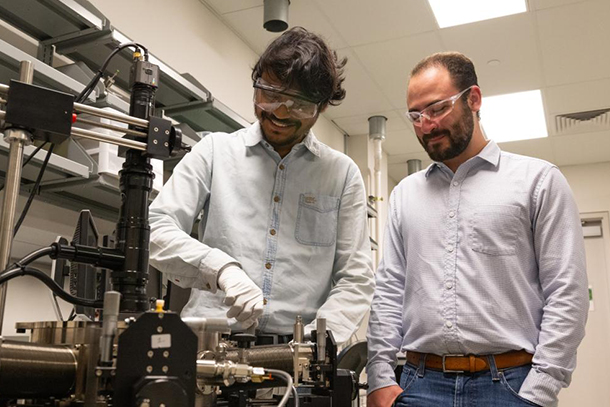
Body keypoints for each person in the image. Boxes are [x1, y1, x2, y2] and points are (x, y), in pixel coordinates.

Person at [366, 52, 588, 407]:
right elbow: (389, 290)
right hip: (418, 386)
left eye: (437, 109)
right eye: (415, 115)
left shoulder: (538, 182)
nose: (426, 125)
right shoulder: (405, 194)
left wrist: (539, 390)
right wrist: (379, 377)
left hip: (511, 385)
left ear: (474, 99)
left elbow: (567, 292)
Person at [148, 27, 374, 345]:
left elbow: (356, 276)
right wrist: (222, 269)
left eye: (299, 105)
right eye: (270, 94)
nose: (279, 113)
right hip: (211, 343)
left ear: (322, 108)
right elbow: (157, 229)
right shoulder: (214, 151)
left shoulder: (341, 174)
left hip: (298, 352)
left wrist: (318, 342)